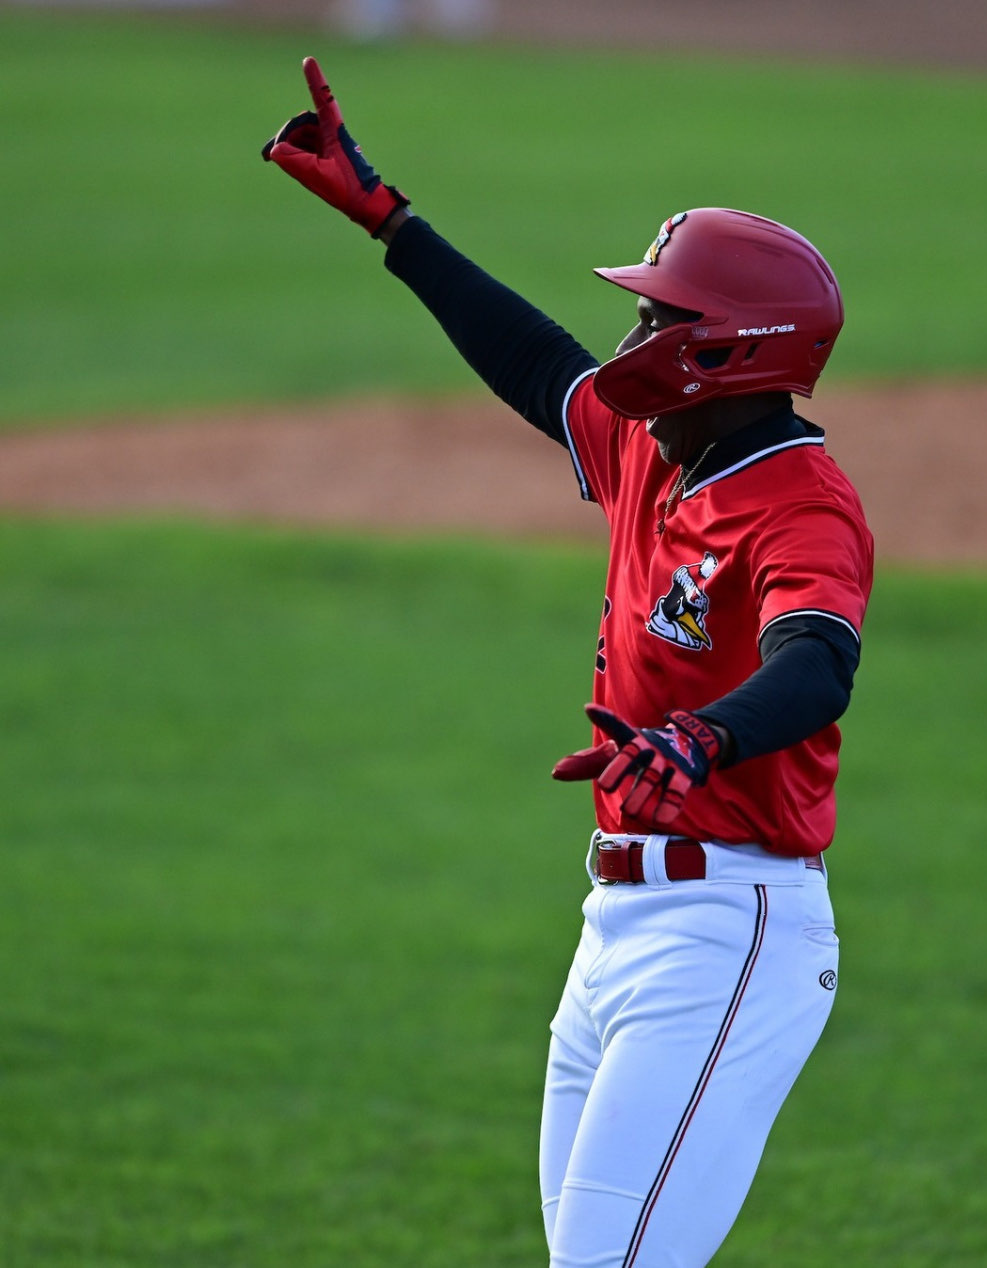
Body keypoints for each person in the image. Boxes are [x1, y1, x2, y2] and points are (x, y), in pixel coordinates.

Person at [263, 57, 874, 1268]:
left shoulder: (804, 507)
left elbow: (818, 661)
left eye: (662, 317)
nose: (634, 334)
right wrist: (393, 223)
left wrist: (705, 733)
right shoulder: (659, 445)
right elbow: (536, 364)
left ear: (730, 353)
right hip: (614, 926)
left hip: (730, 927)